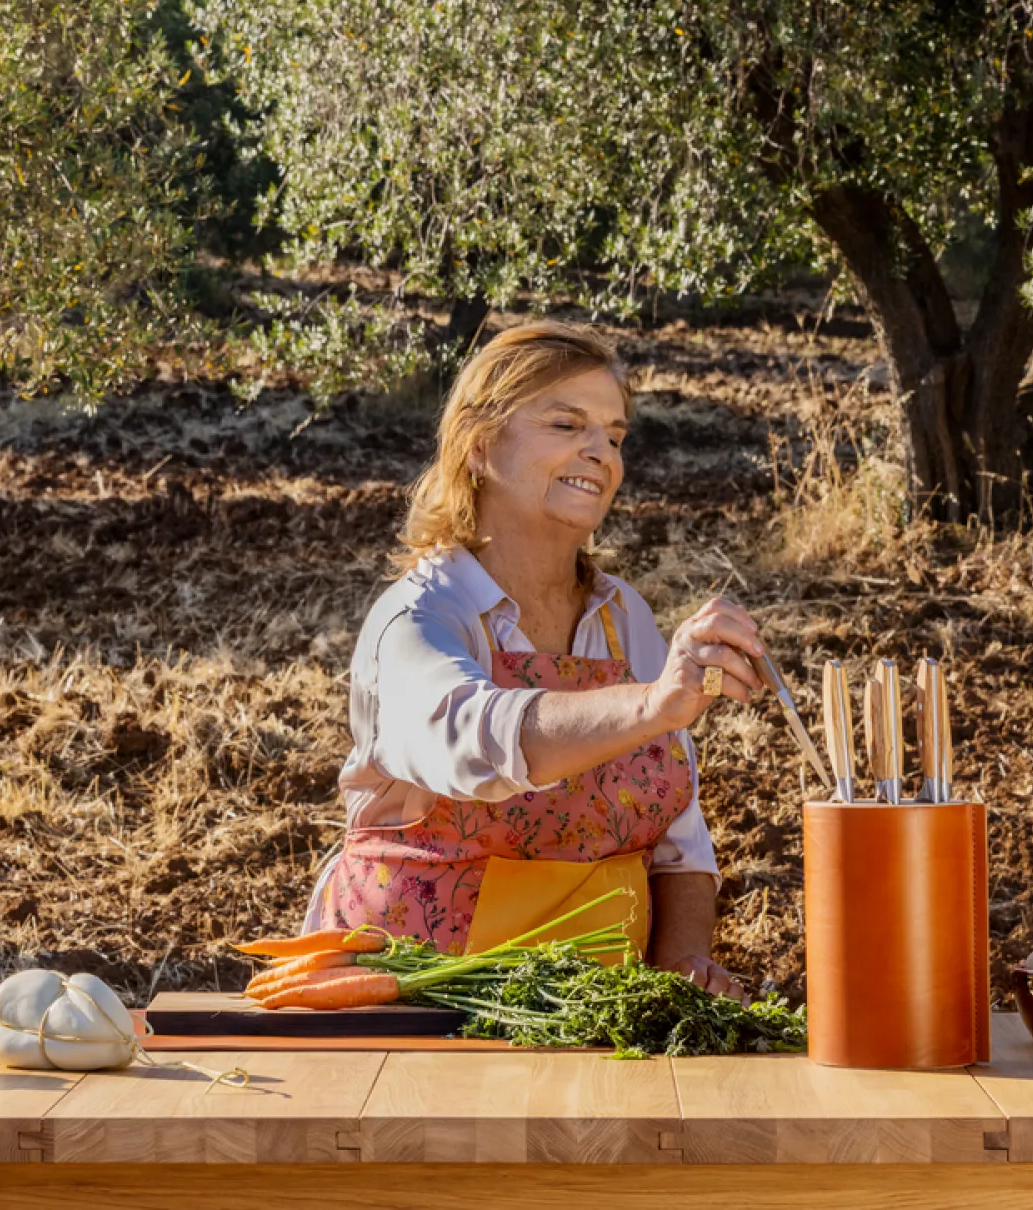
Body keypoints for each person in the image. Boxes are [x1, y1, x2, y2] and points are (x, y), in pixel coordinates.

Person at [304, 321, 767, 997]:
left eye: (614, 436)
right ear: (479, 444)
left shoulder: (625, 620)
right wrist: (652, 703)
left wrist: (682, 968)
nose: (600, 453)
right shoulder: (420, 617)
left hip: (595, 1012)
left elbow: (679, 841)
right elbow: (475, 741)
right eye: (566, 424)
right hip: (415, 1004)